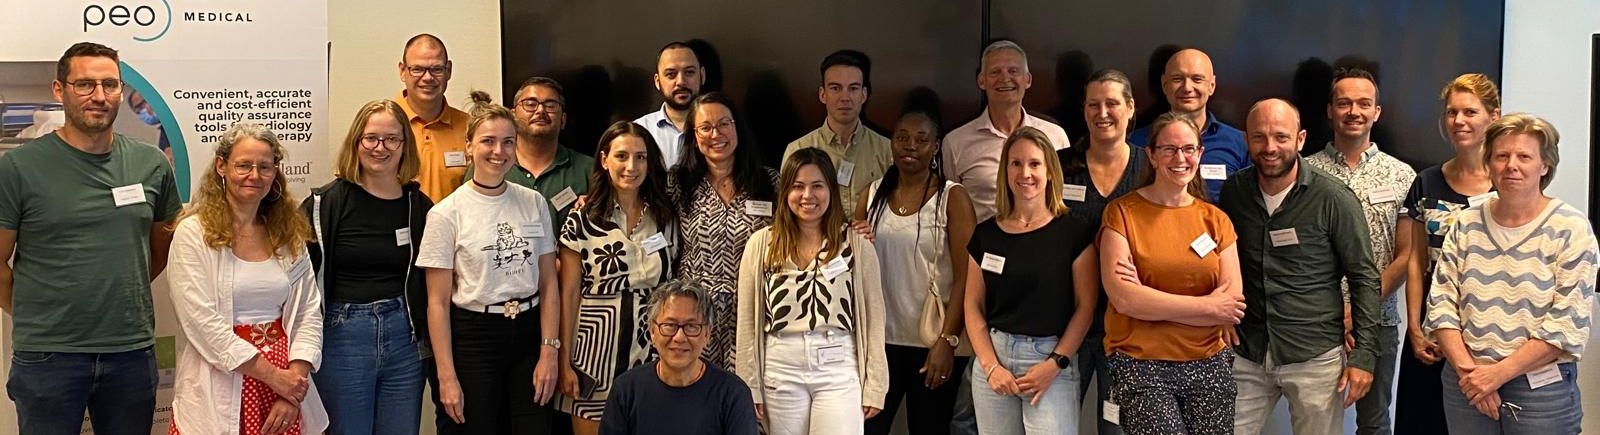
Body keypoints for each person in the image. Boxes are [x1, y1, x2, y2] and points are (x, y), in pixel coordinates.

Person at [0, 41, 182, 435]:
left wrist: (114, 293)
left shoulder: (151, 164)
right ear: (59, 89)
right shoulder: (17, 167)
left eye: (109, 84)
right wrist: (36, 312)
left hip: (130, 352)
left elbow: (158, 249)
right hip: (48, 356)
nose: (99, 96)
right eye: (85, 84)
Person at [1219, 99, 1381, 435]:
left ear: (1300, 139)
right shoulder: (1234, 192)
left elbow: (1364, 277)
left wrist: (1364, 354)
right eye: (1259, 137)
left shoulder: (1333, 198)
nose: (1270, 147)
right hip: (1247, 350)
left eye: (1281, 136)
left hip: (1315, 354)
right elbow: (1221, 259)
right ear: (1246, 140)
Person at [1426, 113, 1595, 435]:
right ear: (1489, 163)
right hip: (1466, 382)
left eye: (1524, 157)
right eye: (1501, 156)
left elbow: (1566, 323)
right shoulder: (1465, 223)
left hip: (1541, 390)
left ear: (1545, 165)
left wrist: (1497, 374)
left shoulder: (1570, 228)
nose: (1511, 166)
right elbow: (1441, 304)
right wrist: (1472, 375)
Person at [166, 122, 328, 434]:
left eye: (264, 167)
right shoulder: (193, 234)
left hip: (285, 385)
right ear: (221, 166)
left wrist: (292, 387)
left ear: (275, 172)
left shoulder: (288, 235)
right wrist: (273, 377)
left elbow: (308, 312)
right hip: (222, 382)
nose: (254, 175)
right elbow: (201, 322)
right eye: (243, 165)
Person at [416, 93, 563, 435]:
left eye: (508, 142)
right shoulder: (446, 214)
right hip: (474, 339)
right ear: (469, 146)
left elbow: (548, 284)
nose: (499, 151)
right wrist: (446, 376)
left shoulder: (534, 202)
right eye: (488, 141)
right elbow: (437, 303)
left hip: (528, 333)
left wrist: (549, 351)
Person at [1098, 113, 1243, 435]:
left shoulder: (1216, 220)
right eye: (1169, 149)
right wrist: (1208, 307)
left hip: (1209, 362)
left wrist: (1151, 302)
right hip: (1141, 363)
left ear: (1200, 154)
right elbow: (1125, 300)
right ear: (1151, 155)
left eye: (1189, 149)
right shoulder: (1122, 214)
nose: (1180, 158)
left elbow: (1230, 304)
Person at [736, 147, 888, 435]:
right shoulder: (761, 244)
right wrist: (749, 385)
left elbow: (875, 319)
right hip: (780, 368)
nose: (808, 195)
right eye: (798, 186)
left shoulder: (856, 244)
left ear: (831, 190)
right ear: (785, 192)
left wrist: (876, 384)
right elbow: (747, 321)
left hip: (838, 368)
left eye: (817, 186)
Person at [301, 100, 431, 435]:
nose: (380, 148)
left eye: (392, 139)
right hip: (342, 337)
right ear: (356, 141)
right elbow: (299, 281)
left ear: (405, 145)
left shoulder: (418, 206)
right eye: (371, 138)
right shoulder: (324, 204)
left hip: (405, 339)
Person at [1301, 67, 1416, 435]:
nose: (1354, 111)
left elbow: (1406, 255)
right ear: (1330, 110)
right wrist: (1337, 312)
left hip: (1378, 322)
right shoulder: (1304, 172)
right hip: (1316, 322)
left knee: (1375, 423)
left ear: (1376, 112)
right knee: (1315, 422)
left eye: (1364, 104)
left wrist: (1358, 310)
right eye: (1344, 103)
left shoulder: (1403, 176)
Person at [963, 126, 1096, 434]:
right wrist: (991, 367)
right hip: (994, 361)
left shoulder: (1074, 232)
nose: (1025, 173)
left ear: (1049, 171)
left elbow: (1085, 307)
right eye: (1016, 163)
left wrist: (1055, 363)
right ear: (1005, 171)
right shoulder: (986, 235)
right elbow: (972, 305)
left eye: (1035, 163)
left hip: (1050, 361)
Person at [856, 110, 976, 435]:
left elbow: (966, 277)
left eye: (921, 139)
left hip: (931, 343)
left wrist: (948, 341)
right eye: (902, 137)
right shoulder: (872, 194)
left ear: (935, 147)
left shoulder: (952, 197)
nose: (910, 145)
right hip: (878, 345)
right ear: (892, 143)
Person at [555, 121, 679, 434]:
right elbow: (568, 294)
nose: (631, 166)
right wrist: (563, 360)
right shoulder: (582, 219)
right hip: (593, 353)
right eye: (622, 156)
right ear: (604, 159)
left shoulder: (665, 217)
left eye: (641, 157)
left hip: (651, 350)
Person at [1398, 73, 1501, 435]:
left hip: (1489, 332)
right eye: (1452, 112)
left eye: (1470, 112)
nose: (1459, 121)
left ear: (1494, 116)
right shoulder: (1426, 181)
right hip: (1432, 332)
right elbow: (1415, 261)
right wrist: (1414, 327)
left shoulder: (1508, 183)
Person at [1055, 68, 1147, 435]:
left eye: (1112, 103)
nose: (1102, 113)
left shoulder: (1150, 166)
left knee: (1116, 428)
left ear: (1130, 107)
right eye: (1093, 104)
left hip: (1127, 327)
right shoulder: (1059, 166)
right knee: (1054, 424)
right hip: (1065, 322)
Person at [669, 91, 779, 370]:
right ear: (694, 136)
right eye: (705, 127)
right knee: (696, 387)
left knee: (745, 389)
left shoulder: (769, 181)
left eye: (723, 124)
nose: (715, 134)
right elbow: (636, 206)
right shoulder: (677, 183)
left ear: (737, 127)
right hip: (694, 309)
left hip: (754, 305)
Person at [599, 280, 760, 435]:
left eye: (691, 326)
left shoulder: (733, 394)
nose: (679, 337)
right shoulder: (626, 390)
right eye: (670, 325)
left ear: (707, 334)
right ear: (652, 331)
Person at [943, 40, 1072, 222]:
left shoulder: (1055, 136)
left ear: (1027, 80)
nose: (1005, 78)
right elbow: (951, 210)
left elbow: (1063, 199)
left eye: (1013, 71)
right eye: (995, 72)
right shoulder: (955, 143)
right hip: (980, 240)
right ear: (981, 81)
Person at [463, 77, 594, 218]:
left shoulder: (589, 169)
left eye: (550, 106)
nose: (540, 110)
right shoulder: (488, 165)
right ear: (513, 116)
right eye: (530, 104)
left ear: (563, 120)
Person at [1128, 48, 1248, 201]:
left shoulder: (1240, 143)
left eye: (1197, 79)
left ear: (1212, 85)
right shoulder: (1136, 142)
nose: (1187, 88)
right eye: (1177, 79)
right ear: (1164, 85)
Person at [784, 49, 893, 217]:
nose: (845, 97)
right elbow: (788, 212)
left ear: (864, 95)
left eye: (853, 88)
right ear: (823, 94)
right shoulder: (798, 149)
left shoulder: (887, 149)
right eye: (835, 88)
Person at [395, 34, 472, 201]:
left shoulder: (470, 128)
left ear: (448, 70)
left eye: (436, 69)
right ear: (402, 71)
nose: (427, 77)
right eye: (417, 69)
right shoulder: (381, 126)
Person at [635, 41, 706, 168]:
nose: (681, 81)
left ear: (702, 75)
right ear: (657, 82)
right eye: (671, 74)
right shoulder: (639, 131)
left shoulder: (721, 130)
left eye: (689, 72)